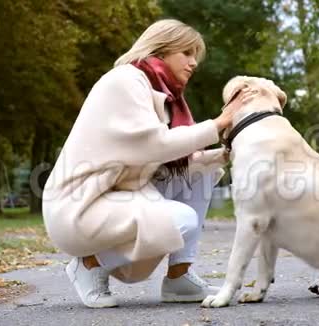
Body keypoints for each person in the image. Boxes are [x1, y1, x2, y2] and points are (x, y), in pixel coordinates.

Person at [42, 19, 254, 308]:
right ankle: (89, 264)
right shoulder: (124, 81)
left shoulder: (160, 92)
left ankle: (180, 278)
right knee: (182, 219)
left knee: (206, 171)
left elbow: (166, 162)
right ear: (162, 49)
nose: (193, 63)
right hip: (79, 206)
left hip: (118, 193)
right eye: (187, 53)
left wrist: (225, 153)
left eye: (196, 57)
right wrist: (220, 123)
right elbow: (154, 145)